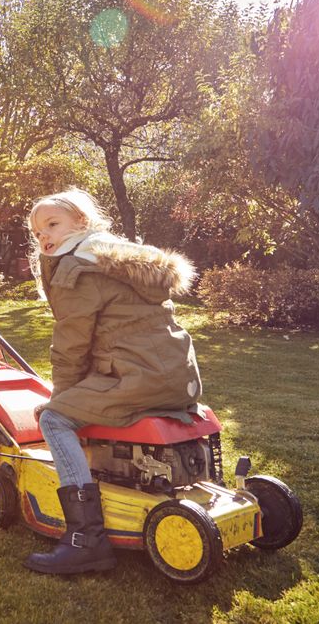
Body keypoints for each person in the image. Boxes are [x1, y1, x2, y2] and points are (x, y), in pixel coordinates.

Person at [23, 188, 202, 575]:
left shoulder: (78, 269)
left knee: (54, 419)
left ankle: (86, 538)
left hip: (135, 377)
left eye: (52, 225)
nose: (44, 237)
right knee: (71, 407)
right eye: (37, 232)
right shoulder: (120, 259)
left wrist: (61, 400)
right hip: (175, 377)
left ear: (81, 223)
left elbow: (71, 345)